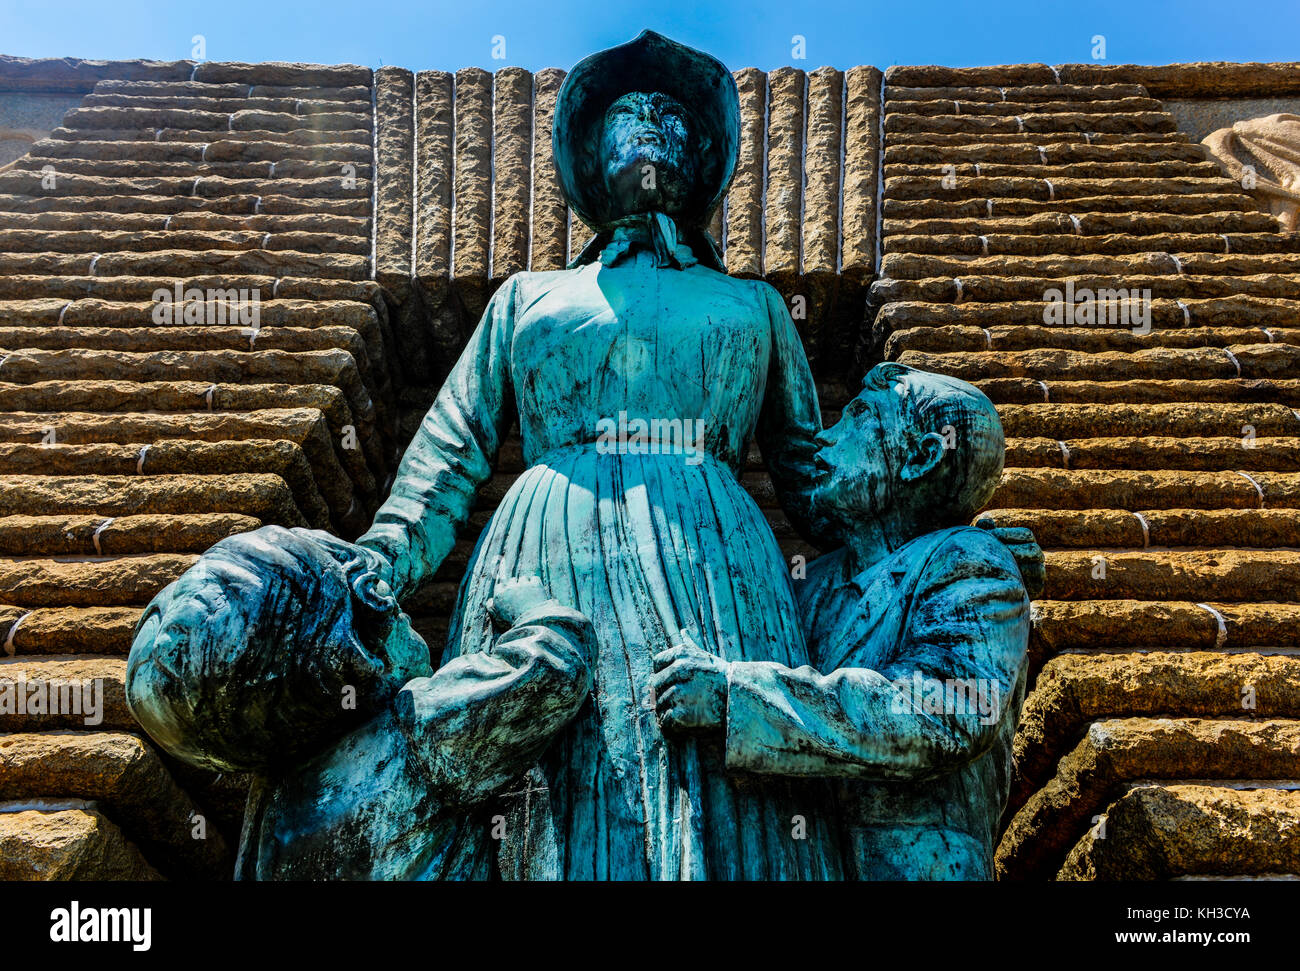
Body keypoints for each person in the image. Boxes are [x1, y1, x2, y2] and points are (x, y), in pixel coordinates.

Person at [652, 362, 1031, 879]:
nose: (824, 439)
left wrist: (737, 695)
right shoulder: (807, 587)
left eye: (857, 418)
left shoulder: (967, 562)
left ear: (920, 457)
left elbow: (946, 711)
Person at [126, 528, 593, 879]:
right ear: (363, 644)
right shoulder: (415, 733)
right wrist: (535, 611)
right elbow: (550, 673)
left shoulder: (267, 815)